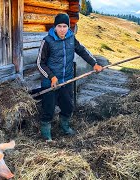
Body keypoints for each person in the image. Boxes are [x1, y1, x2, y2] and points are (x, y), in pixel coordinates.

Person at [37, 13, 103, 141]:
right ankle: (46, 133)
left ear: (68, 27)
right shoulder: (47, 41)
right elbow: (40, 63)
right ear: (55, 27)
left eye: (65, 26)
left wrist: (94, 64)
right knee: (48, 109)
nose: (62, 29)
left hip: (66, 80)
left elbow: (82, 51)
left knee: (68, 106)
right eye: (59, 26)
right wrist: (51, 77)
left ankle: (64, 126)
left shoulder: (71, 38)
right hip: (50, 82)